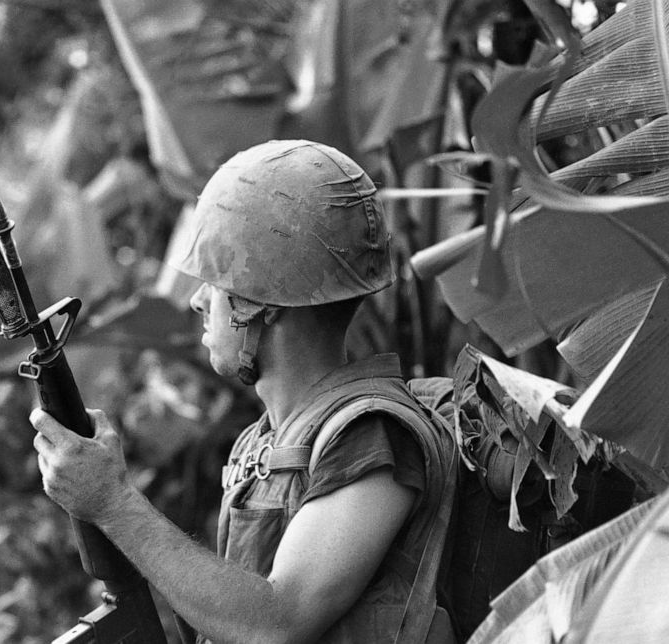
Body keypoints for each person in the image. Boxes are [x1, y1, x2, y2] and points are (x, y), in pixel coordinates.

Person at [30, 140, 458, 643]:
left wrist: (113, 502)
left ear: (260, 303)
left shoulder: (371, 435)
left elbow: (279, 622)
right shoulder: (268, 444)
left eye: (214, 283)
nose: (196, 300)